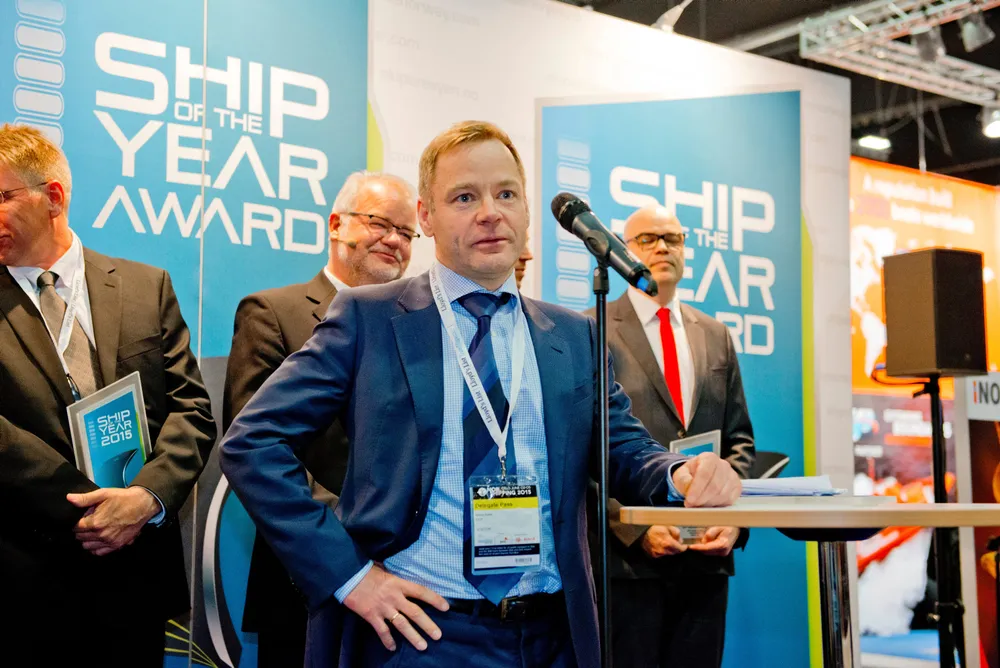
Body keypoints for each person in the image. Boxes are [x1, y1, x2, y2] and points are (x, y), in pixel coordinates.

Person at [219, 120, 741, 668]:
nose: (490, 212)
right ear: (426, 217)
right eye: (465, 197)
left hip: (552, 637)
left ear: (527, 211)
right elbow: (253, 443)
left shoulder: (574, 336)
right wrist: (350, 576)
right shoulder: (369, 318)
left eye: (506, 194)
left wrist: (681, 474)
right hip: (420, 636)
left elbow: (624, 448)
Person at [0, 123, 216, 665]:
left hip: (135, 581)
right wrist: (94, 508)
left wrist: (145, 499)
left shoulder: (146, 287)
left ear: (53, 197)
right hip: (22, 580)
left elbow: (191, 409)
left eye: (2, 197)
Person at [223, 170, 417, 667]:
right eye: (379, 223)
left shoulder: (417, 329)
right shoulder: (272, 312)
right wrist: (348, 532)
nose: (394, 240)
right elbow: (256, 448)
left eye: (406, 232)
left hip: (406, 576)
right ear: (336, 225)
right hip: (306, 577)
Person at [588, 205, 755, 668]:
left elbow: (740, 442)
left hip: (706, 561)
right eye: (647, 239)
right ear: (623, 251)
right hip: (628, 567)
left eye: (673, 238)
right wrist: (634, 528)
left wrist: (735, 521)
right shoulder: (592, 328)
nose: (662, 248)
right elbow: (583, 453)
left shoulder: (715, 335)